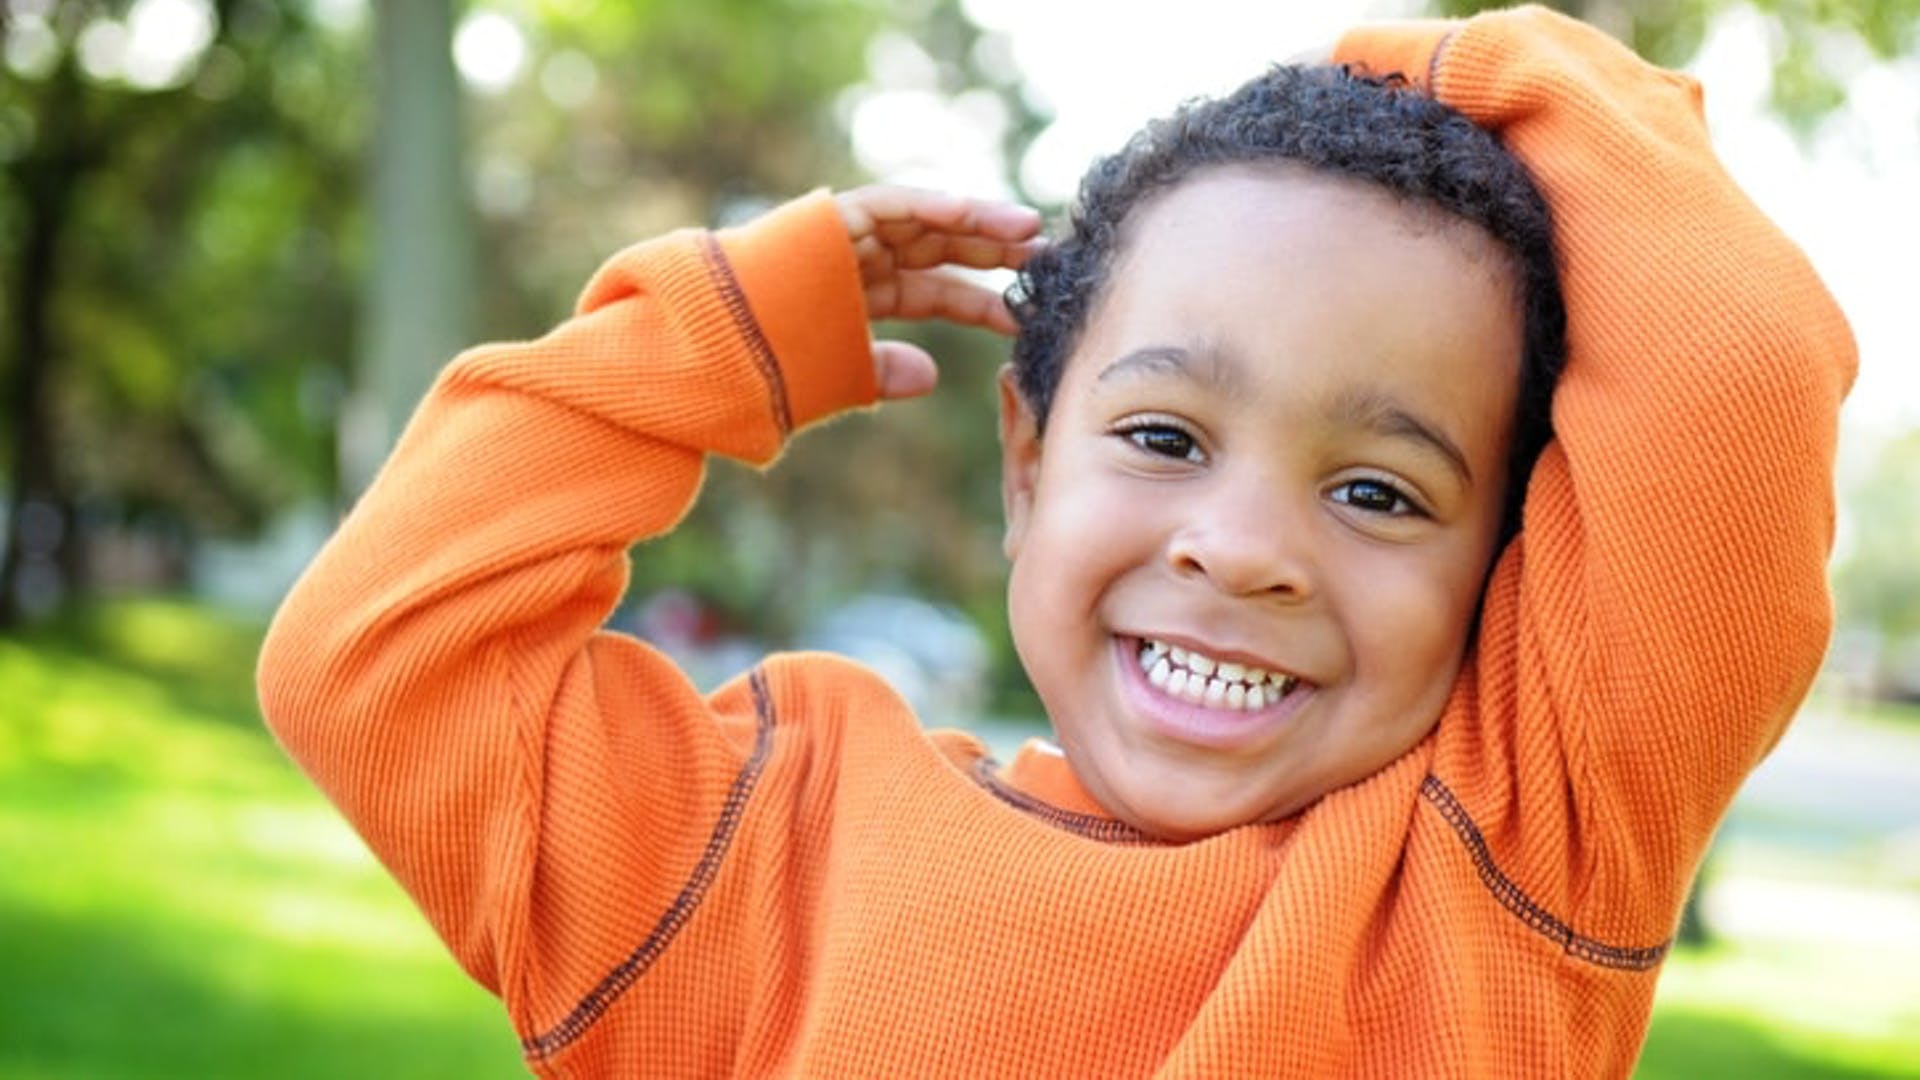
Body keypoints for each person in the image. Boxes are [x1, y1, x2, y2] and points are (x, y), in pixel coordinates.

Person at [258, 6, 1855, 1076]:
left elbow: (1740, 366)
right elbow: (377, 658)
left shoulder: (1509, 872)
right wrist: (716, 334)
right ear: (1026, 466)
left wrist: (1443, 75)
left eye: (1378, 492)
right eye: (1163, 440)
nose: (1241, 551)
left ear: (1504, 573)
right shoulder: (763, 837)